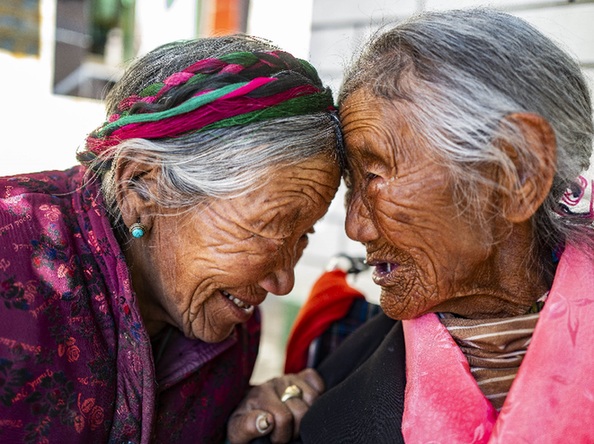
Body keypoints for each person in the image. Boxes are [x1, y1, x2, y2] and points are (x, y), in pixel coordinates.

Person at [233, 8, 594, 443]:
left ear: (515, 175)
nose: (356, 226)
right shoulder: (333, 378)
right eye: (352, 185)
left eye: (374, 176)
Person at [0, 34, 342, 443]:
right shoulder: (13, 252)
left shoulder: (234, 330)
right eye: (267, 229)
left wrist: (231, 431)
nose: (283, 282)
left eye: (303, 235)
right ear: (140, 188)